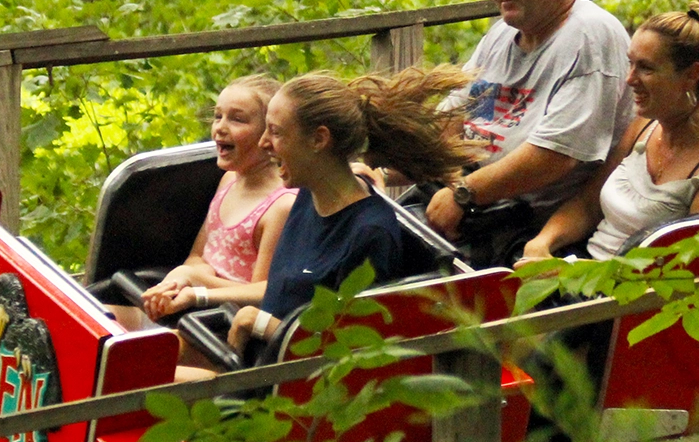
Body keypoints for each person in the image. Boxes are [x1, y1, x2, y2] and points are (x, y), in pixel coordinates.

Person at [156, 66, 475, 358]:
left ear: (319, 139)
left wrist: (257, 323)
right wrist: (203, 299)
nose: (264, 143)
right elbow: (278, 294)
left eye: (276, 132)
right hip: (255, 359)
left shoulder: (369, 234)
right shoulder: (307, 197)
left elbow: (351, 352)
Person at [423, 0, 634, 263]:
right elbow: (449, 119)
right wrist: (400, 169)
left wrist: (464, 193)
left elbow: (556, 156)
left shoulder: (591, 36)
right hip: (472, 207)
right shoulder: (501, 35)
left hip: (535, 232)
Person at [517, 0, 699, 265]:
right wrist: (542, 242)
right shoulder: (644, 125)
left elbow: (689, 266)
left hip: (634, 295)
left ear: (692, 75)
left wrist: (568, 272)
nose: (629, 79)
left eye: (646, 68)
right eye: (629, 64)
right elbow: (588, 205)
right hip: (582, 271)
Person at [115, 75, 296, 330]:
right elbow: (198, 256)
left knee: (122, 356)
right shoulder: (229, 181)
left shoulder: (280, 206)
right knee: (102, 317)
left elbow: (263, 294)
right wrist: (180, 279)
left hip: (220, 325)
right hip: (191, 308)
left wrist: (198, 283)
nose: (220, 127)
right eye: (218, 116)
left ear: (270, 133)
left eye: (237, 119)